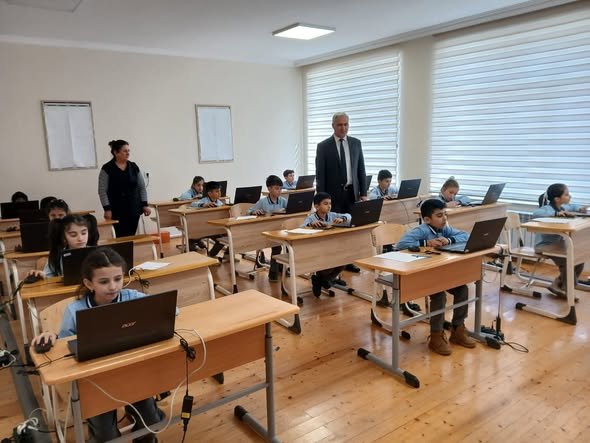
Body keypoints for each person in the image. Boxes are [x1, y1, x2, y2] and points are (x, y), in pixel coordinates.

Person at [31, 248, 164, 442]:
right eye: (104, 281)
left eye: (118, 279)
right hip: (95, 381)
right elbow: (65, 346)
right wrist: (52, 335)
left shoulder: (131, 296)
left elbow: (169, 310)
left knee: (151, 424)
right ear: (88, 283)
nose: (113, 286)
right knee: (106, 437)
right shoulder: (75, 310)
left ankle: (142, 430)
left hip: (132, 372)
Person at [397, 199, 475, 355]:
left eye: (445, 214)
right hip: (421, 274)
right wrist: (427, 242)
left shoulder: (445, 229)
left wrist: (450, 239)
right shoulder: (422, 230)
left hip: (439, 272)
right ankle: (436, 336)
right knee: (439, 296)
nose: (444, 218)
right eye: (439, 216)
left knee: (462, 290)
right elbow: (401, 244)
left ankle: (457, 329)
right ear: (427, 219)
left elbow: (466, 236)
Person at [316, 112, 366, 273]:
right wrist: (321, 200)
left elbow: (361, 169)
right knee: (334, 230)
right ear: (333, 126)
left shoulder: (356, 143)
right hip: (332, 196)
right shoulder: (323, 146)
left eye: (346, 124)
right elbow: (320, 175)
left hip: (352, 194)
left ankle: (347, 262)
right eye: (339, 125)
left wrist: (363, 193)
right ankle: (332, 266)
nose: (343, 128)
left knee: (350, 229)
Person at [532, 183, 587, 297]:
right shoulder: (547, 209)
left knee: (579, 259)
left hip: (557, 245)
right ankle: (568, 290)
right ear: (557, 199)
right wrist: (556, 214)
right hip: (544, 246)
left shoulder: (564, 207)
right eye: (566, 194)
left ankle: (558, 284)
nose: (570, 196)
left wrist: (580, 209)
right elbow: (536, 213)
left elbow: (573, 206)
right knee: (568, 260)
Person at [98, 140, 151, 237]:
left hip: (134, 209)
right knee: (119, 237)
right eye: (125, 151)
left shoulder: (134, 166)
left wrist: (145, 204)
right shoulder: (107, 168)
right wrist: (107, 209)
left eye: (128, 151)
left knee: (131, 236)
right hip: (116, 210)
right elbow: (102, 191)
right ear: (116, 152)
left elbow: (142, 187)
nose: (128, 153)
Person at [303, 192, 351, 297]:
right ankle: (324, 279)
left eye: (330, 203)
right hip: (317, 249)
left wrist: (343, 219)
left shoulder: (332, 215)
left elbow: (349, 216)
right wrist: (310, 225)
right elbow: (302, 227)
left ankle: (321, 280)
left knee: (344, 261)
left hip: (331, 247)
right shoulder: (311, 218)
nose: (329, 206)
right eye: (325, 203)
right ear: (316, 206)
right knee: (327, 266)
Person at [28, 214, 99, 278]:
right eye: (73, 235)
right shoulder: (57, 255)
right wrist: (41, 274)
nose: (80, 238)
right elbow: (47, 275)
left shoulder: (97, 253)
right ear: (64, 237)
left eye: (84, 233)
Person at [248, 175, 288, 282]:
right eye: (277, 188)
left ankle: (282, 267)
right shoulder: (263, 202)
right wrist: (254, 212)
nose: (279, 191)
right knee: (276, 246)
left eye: (280, 188)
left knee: (287, 245)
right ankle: (273, 273)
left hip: (279, 230)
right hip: (266, 232)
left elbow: (291, 210)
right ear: (269, 189)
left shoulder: (283, 201)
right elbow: (249, 211)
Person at [190, 181, 227, 259]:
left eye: (219, 191)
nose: (219, 193)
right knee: (192, 238)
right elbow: (192, 204)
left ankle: (211, 254)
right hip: (203, 228)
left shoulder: (220, 203)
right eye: (217, 191)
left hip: (214, 229)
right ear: (210, 193)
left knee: (223, 239)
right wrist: (204, 204)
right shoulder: (204, 200)